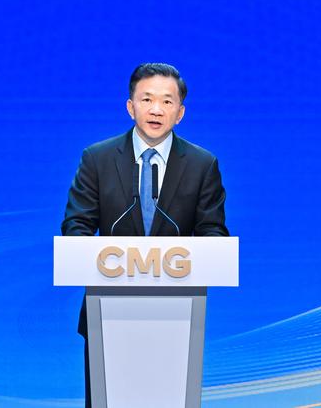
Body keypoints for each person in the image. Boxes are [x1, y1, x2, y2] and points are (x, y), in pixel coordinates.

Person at [61, 62, 229, 406]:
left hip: (177, 316)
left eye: (167, 101)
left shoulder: (202, 164)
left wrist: (204, 254)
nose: (156, 110)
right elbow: (76, 226)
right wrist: (94, 256)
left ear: (180, 113)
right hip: (107, 314)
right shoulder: (97, 159)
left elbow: (213, 231)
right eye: (147, 99)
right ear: (130, 106)